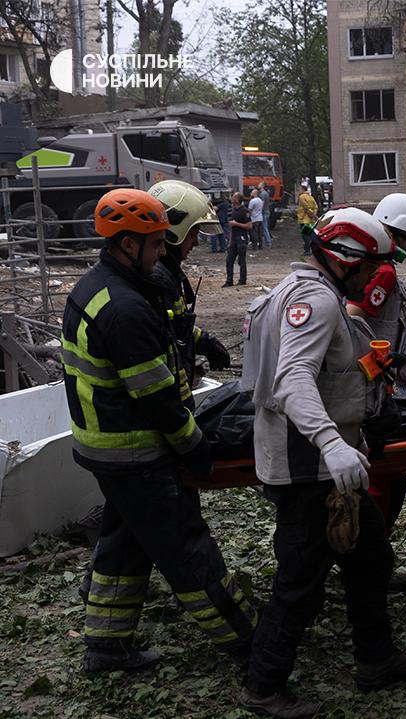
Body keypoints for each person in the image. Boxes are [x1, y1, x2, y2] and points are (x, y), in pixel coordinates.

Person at [239, 207, 406, 717]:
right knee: (299, 582)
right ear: (344, 259)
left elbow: (328, 371)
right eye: (369, 267)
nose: (373, 278)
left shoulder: (294, 293)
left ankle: (377, 660)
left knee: (370, 558)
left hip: (324, 464)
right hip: (310, 470)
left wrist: (377, 367)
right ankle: (263, 688)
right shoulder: (316, 301)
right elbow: (293, 378)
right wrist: (330, 442)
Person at [62, 188, 256, 674]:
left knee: (125, 545)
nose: (163, 253)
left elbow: (169, 343)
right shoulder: (124, 308)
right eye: (155, 245)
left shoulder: (102, 286)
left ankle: (106, 647)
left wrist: (202, 342)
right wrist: (196, 450)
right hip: (135, 452)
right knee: (189, 553)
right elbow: (158, 398)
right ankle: (251, 648)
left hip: (105, 446)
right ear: (129, 244)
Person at [348, 192, 406, 590]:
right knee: (385, 475)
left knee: (387, 474)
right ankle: (369, 562)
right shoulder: (381, 270)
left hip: (371, 377)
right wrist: (375, 366)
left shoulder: (371, 265)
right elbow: (354, 318)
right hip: (370, 382)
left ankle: (365, 557)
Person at [147, 180, 232, 393]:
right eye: (193, 235)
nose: (196, 243)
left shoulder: (166, 274)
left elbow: (173, 326)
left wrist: (203, 341)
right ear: (175, 233)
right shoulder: (156, 280)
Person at [224, 192, 251, 287]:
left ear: (237, 199)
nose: (231, 198)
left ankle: (242, 280)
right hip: (234, 238)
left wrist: (237, 224)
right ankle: (229, 281)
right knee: (229, 260)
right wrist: (230, 241)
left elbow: (249, 226)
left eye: (233, 197)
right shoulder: (232, 210)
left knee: (241, 260)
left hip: (242, 238)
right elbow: (232, 227)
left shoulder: (244, 211)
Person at [296, 183, 318, 256]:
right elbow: (316, 206)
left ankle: (307, 250)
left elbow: (306, 207)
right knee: (309, 234)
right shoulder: (311, 197)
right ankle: (311, 249)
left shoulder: (302, 197)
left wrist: (312, 214)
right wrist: (314, 214)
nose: (298, 191)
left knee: (305, 235)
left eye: (299, 189)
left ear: (303, 189)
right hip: (310, 219)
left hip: (304, 219)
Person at [258, 182, 273, 249]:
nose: (258, 185)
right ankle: (267, 241)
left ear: (263, 186)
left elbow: (262, 204)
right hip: (266, 212)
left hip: (264, 212)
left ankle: (268, 242)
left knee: (264, 228)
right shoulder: (265, 193)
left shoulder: (263, 194)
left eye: (260, 184)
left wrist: (258, 211)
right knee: (265, 227)